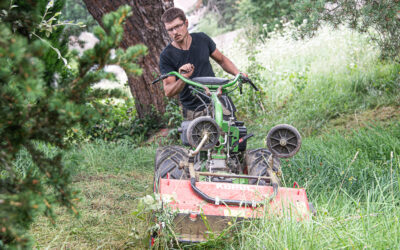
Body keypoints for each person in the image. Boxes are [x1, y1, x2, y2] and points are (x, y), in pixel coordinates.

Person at [159, 7, 246, 120]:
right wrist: (183, 77)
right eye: (170, 29)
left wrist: (238, 74)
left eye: (178, 26)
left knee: (233, 134)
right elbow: (168, 91)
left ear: (186, 23)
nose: (175, 32)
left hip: (217, 98)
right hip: (194, 110)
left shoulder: (202, 39)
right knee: (203, 138)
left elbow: (222, 60)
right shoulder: (167, 56)